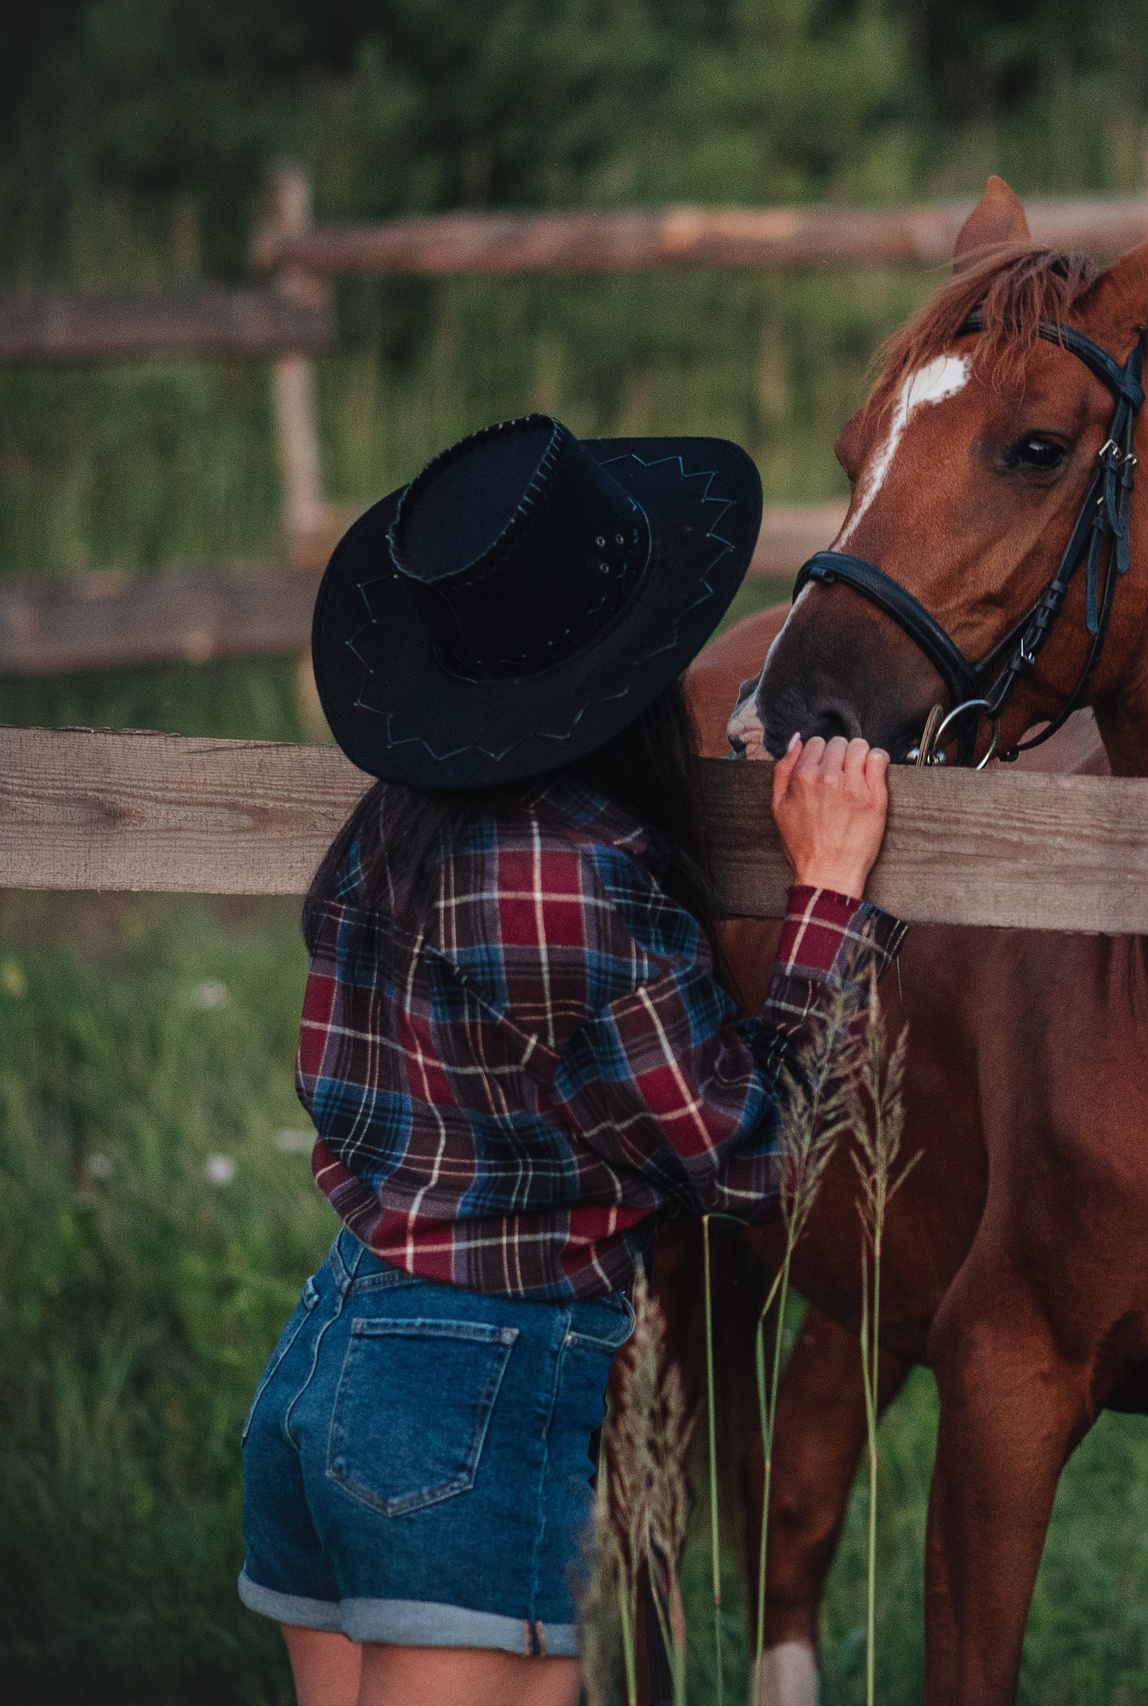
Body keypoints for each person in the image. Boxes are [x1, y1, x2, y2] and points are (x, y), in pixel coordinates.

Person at [237, 413, 899, 1706]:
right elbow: (757, 1158)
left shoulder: (393, 828)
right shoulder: (578, 886)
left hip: (328, 1348)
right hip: (472, 1397)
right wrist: (827, 894)